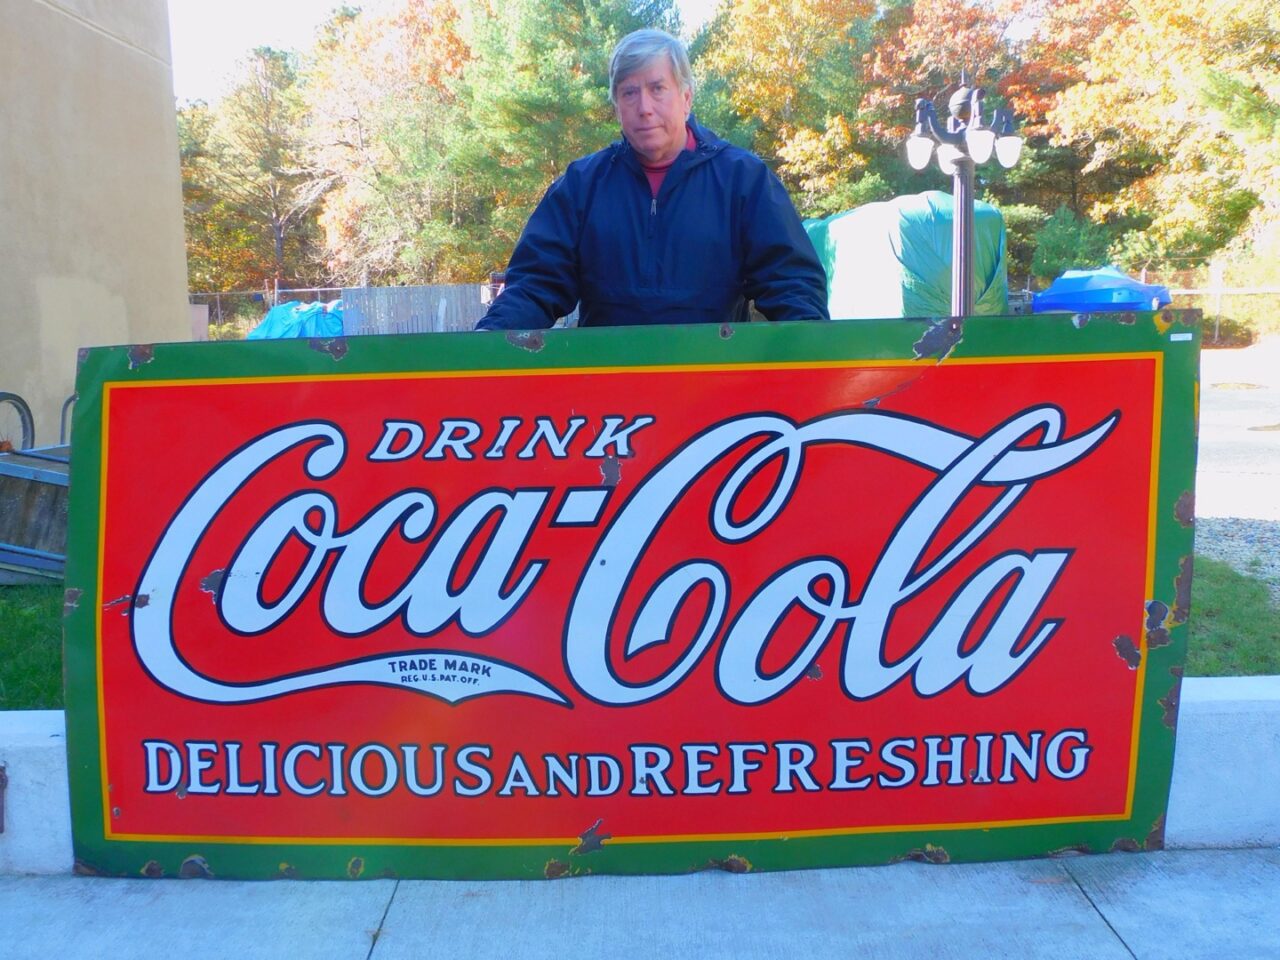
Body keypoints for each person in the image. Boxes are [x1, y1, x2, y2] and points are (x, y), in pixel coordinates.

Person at [476, 28, 829, 330]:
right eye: (629, 92)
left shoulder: (744, 180)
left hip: (717, 392)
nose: (644, 107)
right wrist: (487, 340)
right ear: (616, 104)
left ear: (686, 97)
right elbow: (535, 285)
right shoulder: (581, 186)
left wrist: (813, 353)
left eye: (657, 88)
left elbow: (792, 286)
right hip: (608, 393)